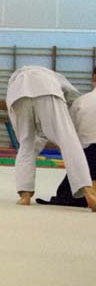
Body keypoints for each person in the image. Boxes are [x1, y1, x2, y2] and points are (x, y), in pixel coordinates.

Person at [6, 65, 96, 210]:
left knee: (26, 146)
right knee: (69, 142)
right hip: (48, 90)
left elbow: (37, 137)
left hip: (17, 95)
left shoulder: (16, 80)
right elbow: (75, 99)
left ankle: (25, 196)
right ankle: (89, 193)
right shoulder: (55, 78)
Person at [37, 68, 96, 207]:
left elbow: (70, 133)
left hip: (87, 155)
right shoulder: (80, 102)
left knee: (68, 190)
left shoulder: (81, 102)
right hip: (89, 154)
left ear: (94, 79)